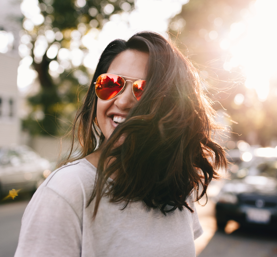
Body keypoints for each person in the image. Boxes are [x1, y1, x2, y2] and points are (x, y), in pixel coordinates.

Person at [15, 31, 227, 257]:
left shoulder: (176, 187)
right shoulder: (66, 191)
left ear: (173, 107)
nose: (123, 101)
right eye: (111, 84)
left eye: (143, 90)